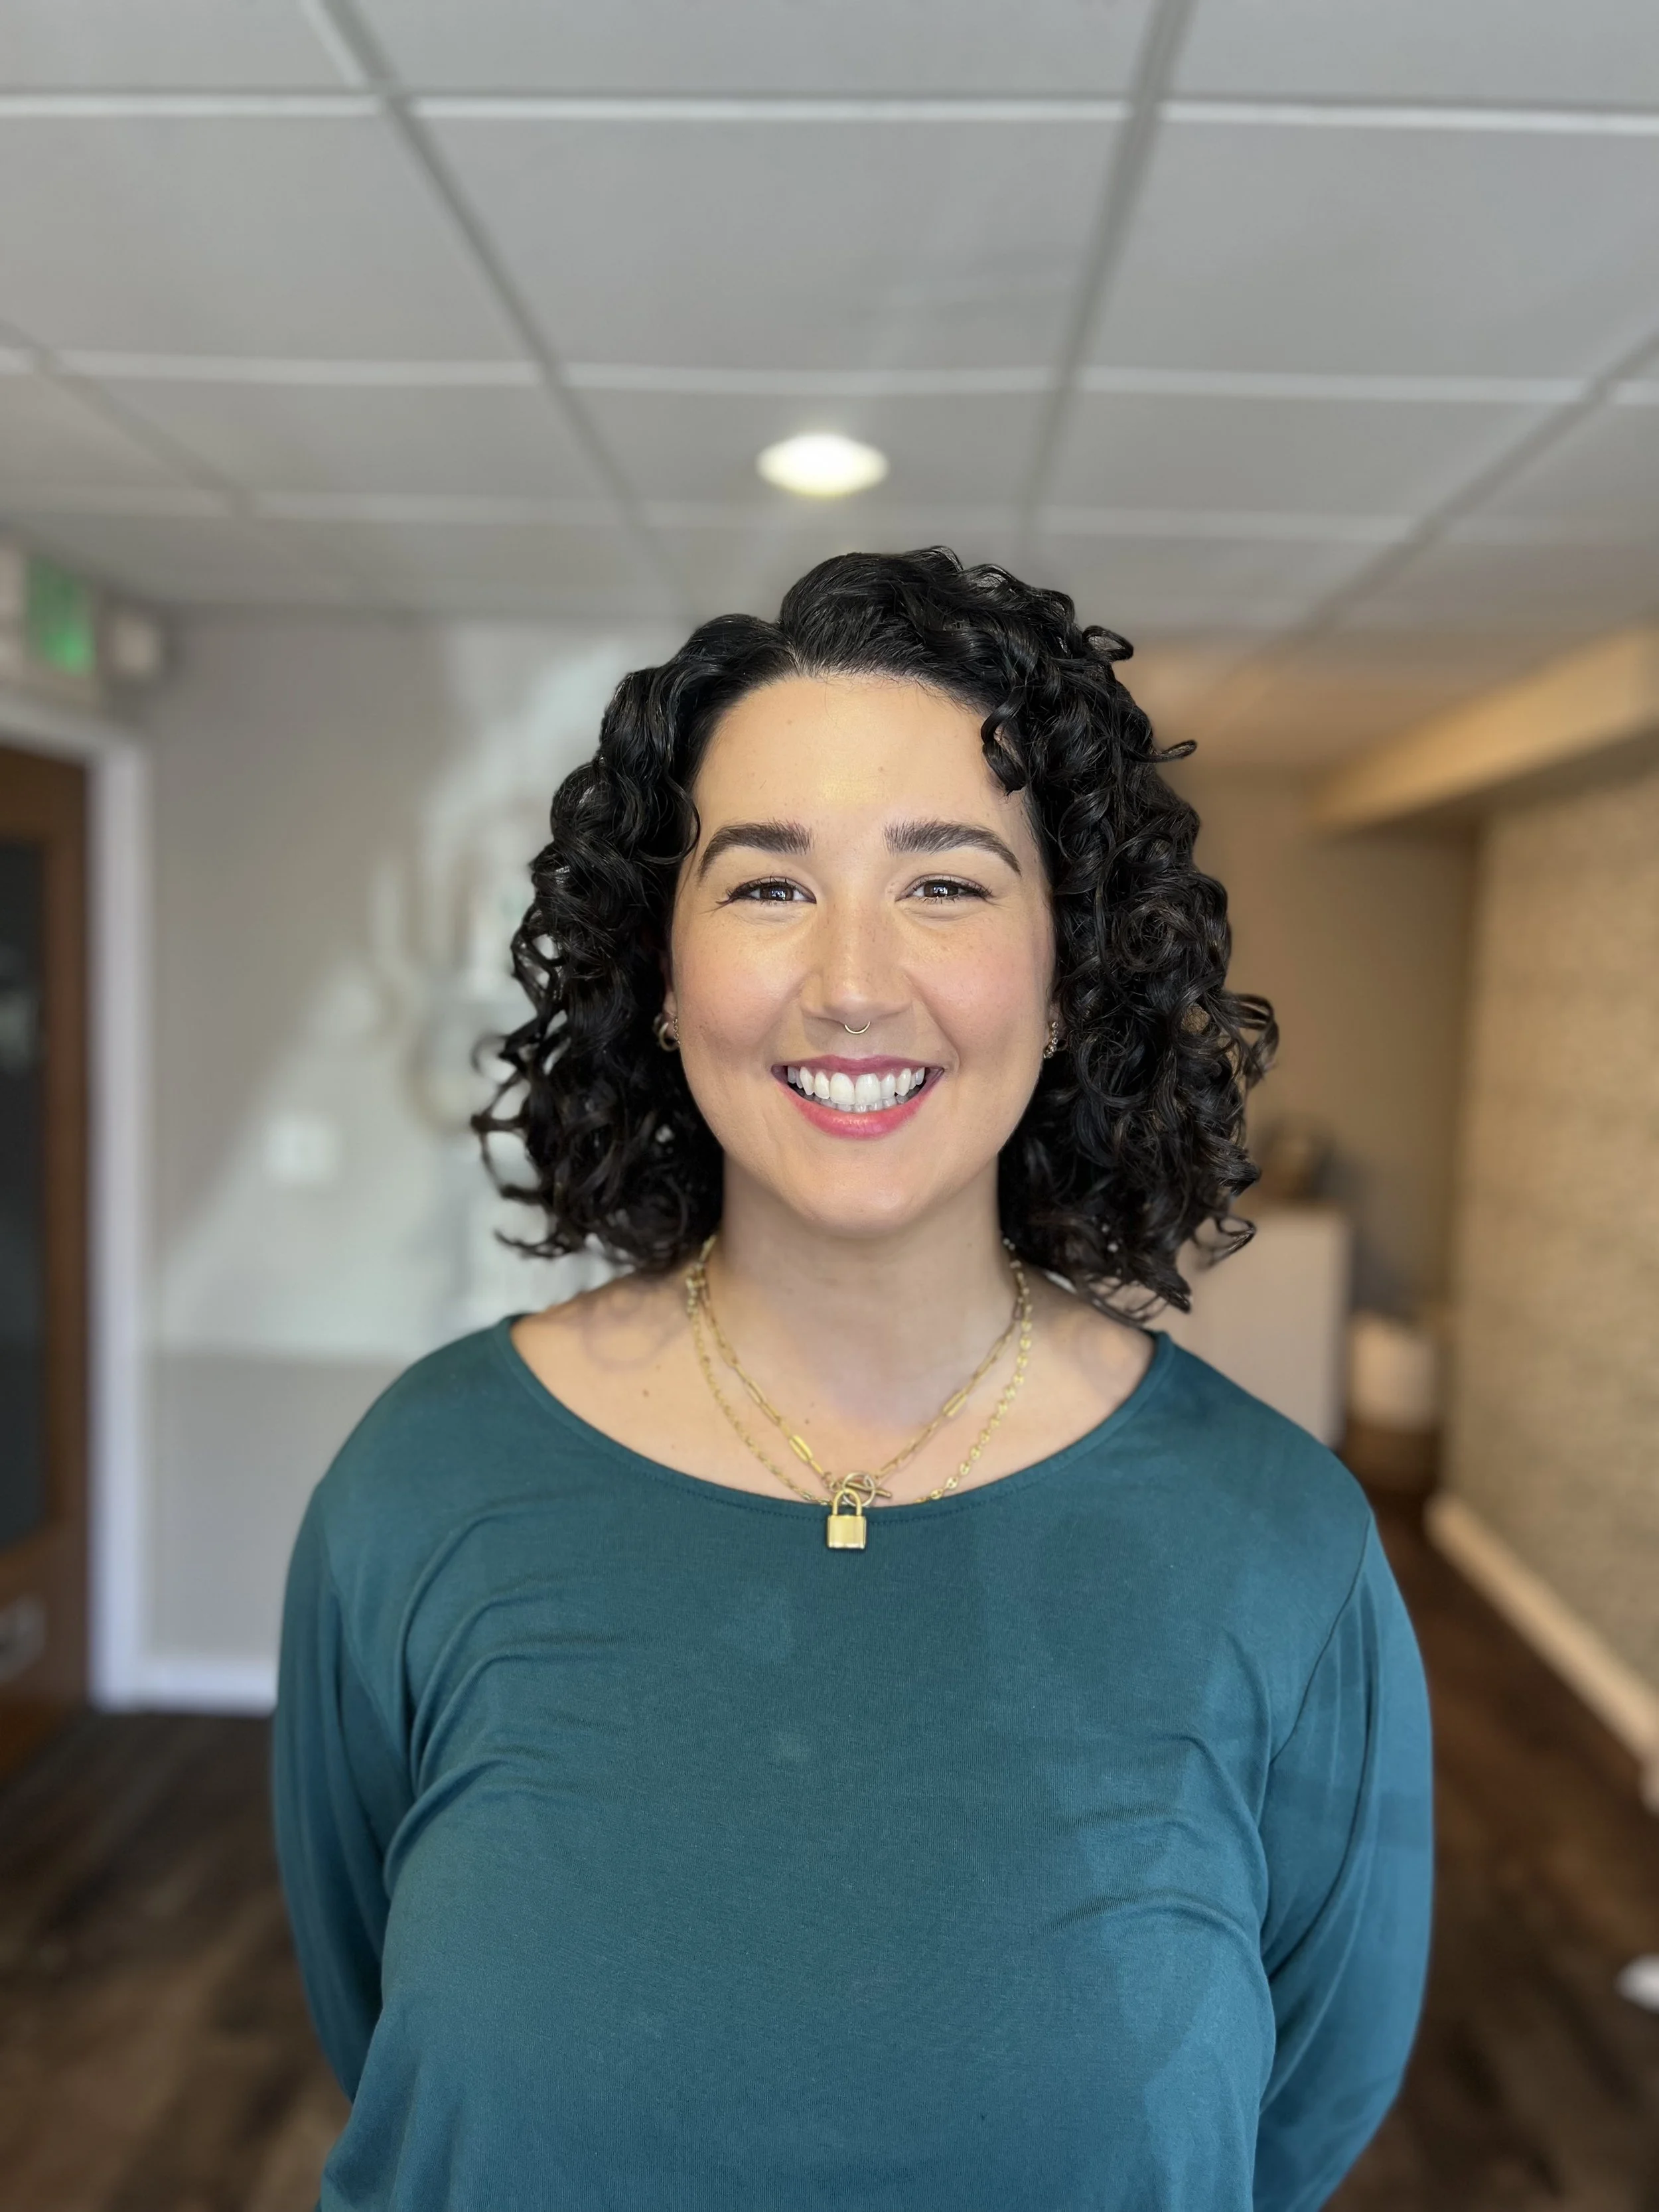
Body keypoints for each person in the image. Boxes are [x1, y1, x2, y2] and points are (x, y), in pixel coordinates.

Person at [273, 548, 1433, 2211]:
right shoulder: (420, 1482)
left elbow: (1294, 2114)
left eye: (945, 881)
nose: (851, 981)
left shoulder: (1280, 1542)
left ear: (1064, 972)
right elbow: (369, 2009)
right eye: (765, 885)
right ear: (662, 981)